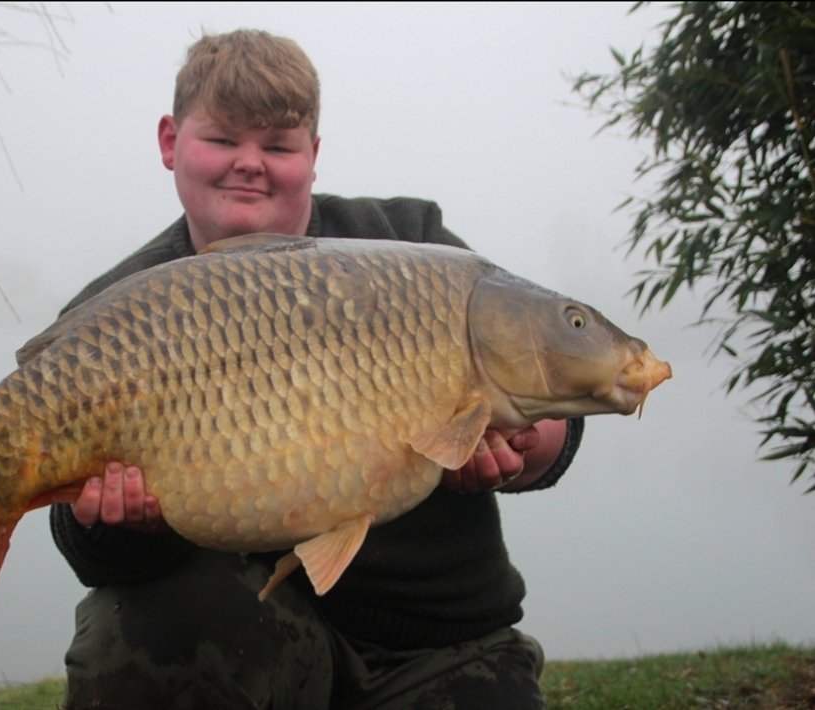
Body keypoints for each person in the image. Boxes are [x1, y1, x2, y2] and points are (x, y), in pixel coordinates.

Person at [49, 29, 584, 710]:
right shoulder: (114, 314)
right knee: (135, 630)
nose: (250, 164)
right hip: (243, 641)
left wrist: (524, 445)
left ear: (313, 155)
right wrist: (120, 524)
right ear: (170, 141)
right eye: (223, 139)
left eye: (278, 145)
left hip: (436, 640)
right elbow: (87, 551)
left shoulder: (411, 245)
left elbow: (551, 390)